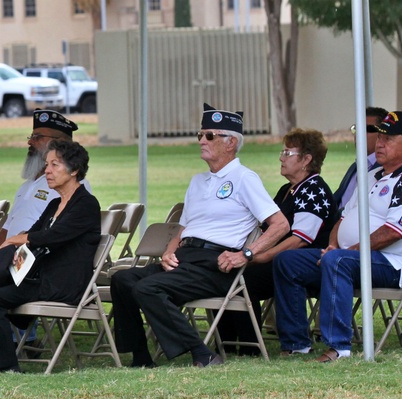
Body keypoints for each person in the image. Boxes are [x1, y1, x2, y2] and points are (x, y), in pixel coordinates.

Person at [108, 103, 289, 368]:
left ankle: (201, 353)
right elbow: (183, 229)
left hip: (215, 265)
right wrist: (169, 251)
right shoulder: (197, 182)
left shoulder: (244, 178)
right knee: (123, 279)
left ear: (230, 143)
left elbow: (280, 224)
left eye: (210, 136)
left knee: (148, 288)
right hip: (185, 257)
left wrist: (246, 254)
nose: (202, 141)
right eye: (200, 135)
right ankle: (140, 357)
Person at [273, 111, 402, 362]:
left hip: (394, 264)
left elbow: (392, 232)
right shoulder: (373, 175)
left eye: (389, 139)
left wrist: (347, 252)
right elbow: (343, 217)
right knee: (287, 261)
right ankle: (296, 343)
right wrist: (332, 245)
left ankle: (339, 347)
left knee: (337, 262)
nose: (379, 143)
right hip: (352, 257)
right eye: (380, 136)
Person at [0, 140, 100, 373]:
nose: (47, 170)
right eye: (47, 164)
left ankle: (7, 367)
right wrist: (20, 240)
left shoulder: (86, 204)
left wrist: (18, 239)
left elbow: (53, 236)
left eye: (55, 165)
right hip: (40, 276)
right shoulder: (55, 203)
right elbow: (35, 232)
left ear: (74, 169)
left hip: (63, 282)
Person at [0, 109, 80, 341]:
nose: (30, 142)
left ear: (60, 145)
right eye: (31, 136)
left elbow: (59, 234)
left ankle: (23, 339)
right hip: (9, 254)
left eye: (38, 137)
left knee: (3, 274)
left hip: (37, 260)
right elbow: (6, 227)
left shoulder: (72, 185)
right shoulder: (30, 185)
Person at [217, 128, 339, 354]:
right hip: (279, 259)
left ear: (306, 160)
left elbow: (300, 240)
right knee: (226, 273)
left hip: (309, 263)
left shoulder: (314, 189)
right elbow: (267, 228)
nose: (281, 158)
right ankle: (227, 341)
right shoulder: (287, 189)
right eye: (282, 152)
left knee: (245, 280)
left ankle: (248, 345)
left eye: (287, 153)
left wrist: (258, 256)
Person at [332, 106, 389, 211]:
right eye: (357, 128)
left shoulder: (386, 169)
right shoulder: (355, 167)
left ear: (383, 134)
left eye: (367, 129)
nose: (360, 133)